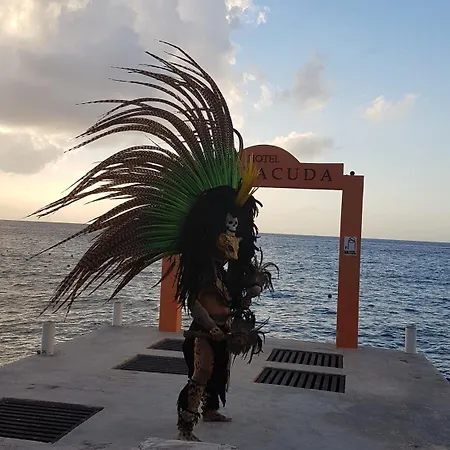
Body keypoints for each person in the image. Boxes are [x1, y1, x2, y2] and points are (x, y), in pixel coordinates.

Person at [29, 41, 277, 442]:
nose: (231, 238)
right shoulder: (202, 269)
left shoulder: (221, 267)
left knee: (219, 373)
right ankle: (185, 426)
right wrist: (211, 325)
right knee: (202, 372)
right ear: (207, 230)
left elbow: (235, 289)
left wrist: (252, 284)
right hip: (203, 333)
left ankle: (212, 410)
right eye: (226, 230)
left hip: (222, 328)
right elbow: (194, 303)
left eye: (235, 231)